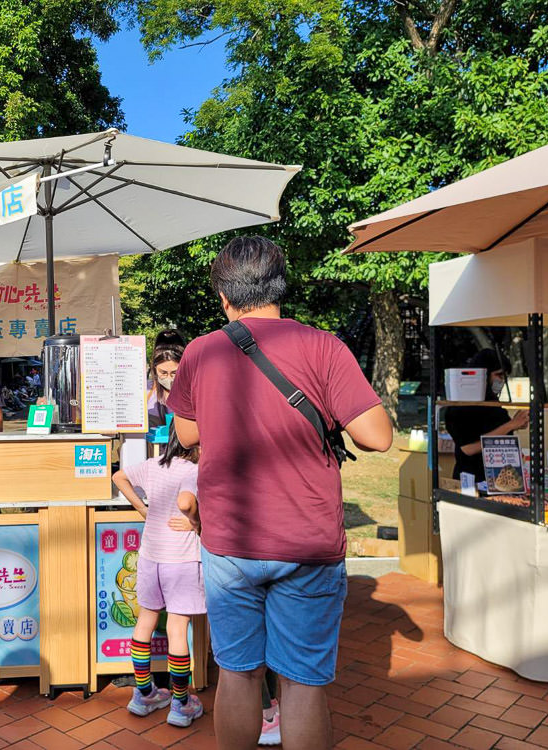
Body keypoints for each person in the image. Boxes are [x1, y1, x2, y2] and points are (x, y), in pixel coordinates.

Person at [166, 236, 392, 750]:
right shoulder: (323, 346)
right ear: (280, 287)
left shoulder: (202, 351)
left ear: (223, 296)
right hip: (307, 540)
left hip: (229, 540)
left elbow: (185, 435)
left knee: (239, 674)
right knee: (302, 682)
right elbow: (378, 437)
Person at [111, 426, 205, 728]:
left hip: (150, 556)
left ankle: (144, 694)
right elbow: (185, 502)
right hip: (182, 560)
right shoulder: (193, 470)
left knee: (145, 621)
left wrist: (143, 508)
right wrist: (196, 522)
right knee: (178, 628)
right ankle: (180, 704)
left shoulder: (154, 465)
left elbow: (118, 477)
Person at [444, 349, 529, 481]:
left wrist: (516, 424)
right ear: (483, 375)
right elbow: (468, 448)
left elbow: (498, 429)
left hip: (500, 478)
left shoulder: (493, 404)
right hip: (472, 480)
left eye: (505, 376)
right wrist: (511, 425)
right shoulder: (460, 406)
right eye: (499, 375)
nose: (502, 381)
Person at [148, 345, 185, 428]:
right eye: (163, 373)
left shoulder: (193, 392)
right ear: (154, 369)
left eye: (174, 373)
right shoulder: (146, 391)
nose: (169, 378)